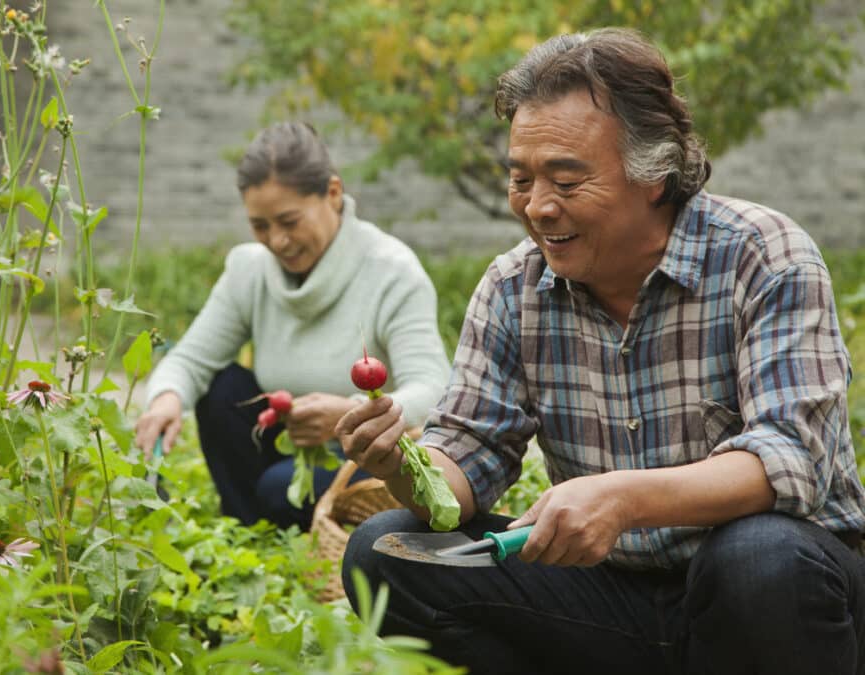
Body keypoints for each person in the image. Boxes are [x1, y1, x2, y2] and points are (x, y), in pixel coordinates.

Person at [336, 28, 865, 675]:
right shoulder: (513, 288)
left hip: (781, 595)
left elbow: (790, 459)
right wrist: (400, 462)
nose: (536, 206)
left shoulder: (763, 255)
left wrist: (622, 497)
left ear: (653, 173)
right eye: (521, 178)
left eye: (565, 178)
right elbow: (465, 462)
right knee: (384, 553)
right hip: (616, 598)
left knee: (757, 556)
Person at [134, 121, 451, 531]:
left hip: (364, 457)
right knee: (221, 386)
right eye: (260, 226)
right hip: (286, 448)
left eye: (289, 221)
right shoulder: (249, 269)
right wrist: (166, 399)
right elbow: (190, 359)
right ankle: (254, 537)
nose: (277, 241)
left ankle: (275, 530)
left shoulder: (392, 272)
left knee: (279, 487)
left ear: (333, 194)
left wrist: (352, 414)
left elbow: (433, 389)